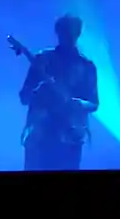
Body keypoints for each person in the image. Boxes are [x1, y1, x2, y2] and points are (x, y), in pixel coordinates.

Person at [18, 14, 99, 171]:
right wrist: (39, 90)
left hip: (70, 136)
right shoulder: (43, 60)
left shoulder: (86, 66)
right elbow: (24, 97)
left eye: (72, 32)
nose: (69, 36)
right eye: (65, 32)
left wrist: (79, 104)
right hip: (40, 137)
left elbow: (94, 103)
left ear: (78, 34)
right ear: (58, 33)